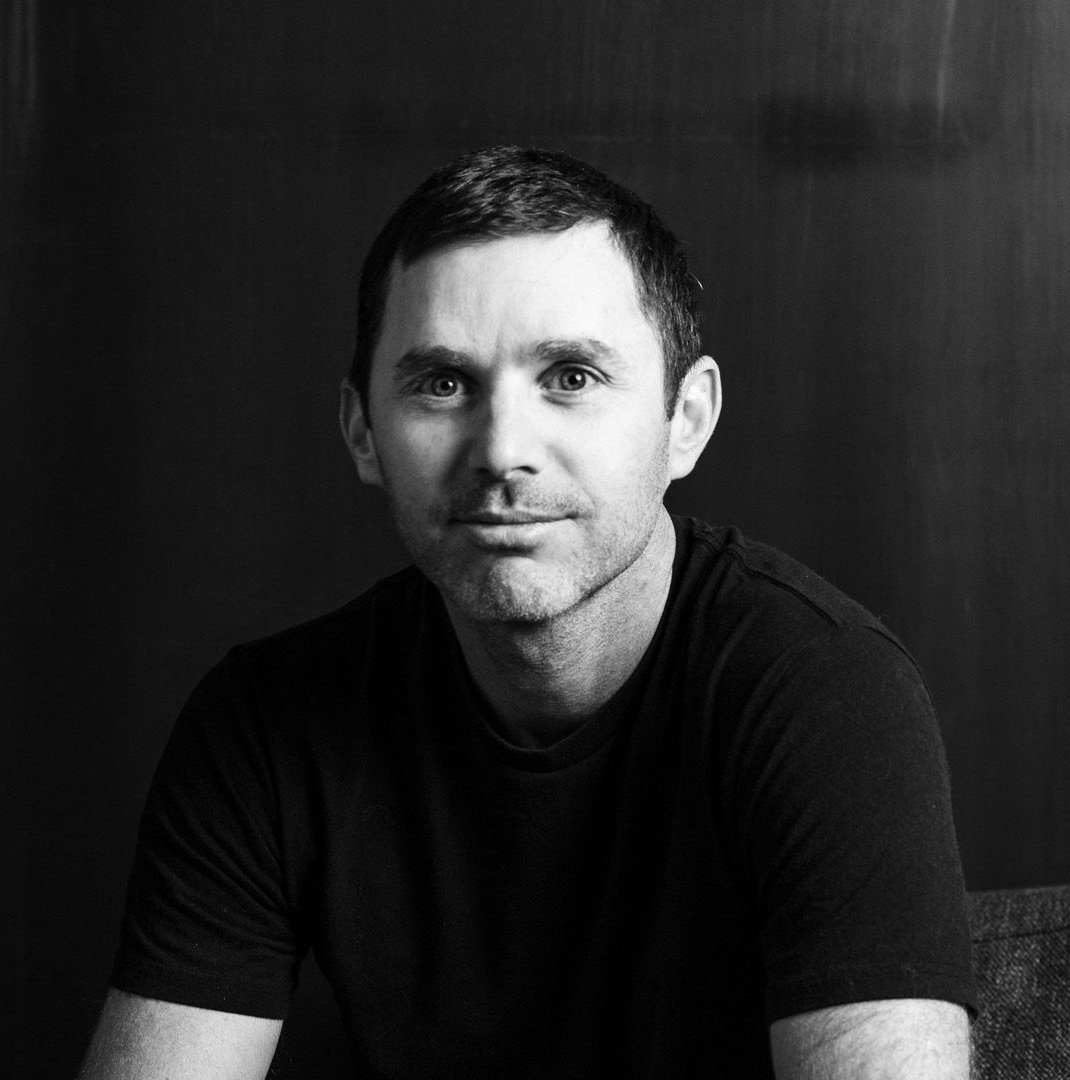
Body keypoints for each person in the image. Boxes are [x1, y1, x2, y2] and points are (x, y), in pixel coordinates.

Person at [79, 146, 976, 1079]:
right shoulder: (266, 725)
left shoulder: (827, 695)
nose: (502, 449)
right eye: (442, 383)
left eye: (572, 377)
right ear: (362, 431)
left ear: (687, 420)